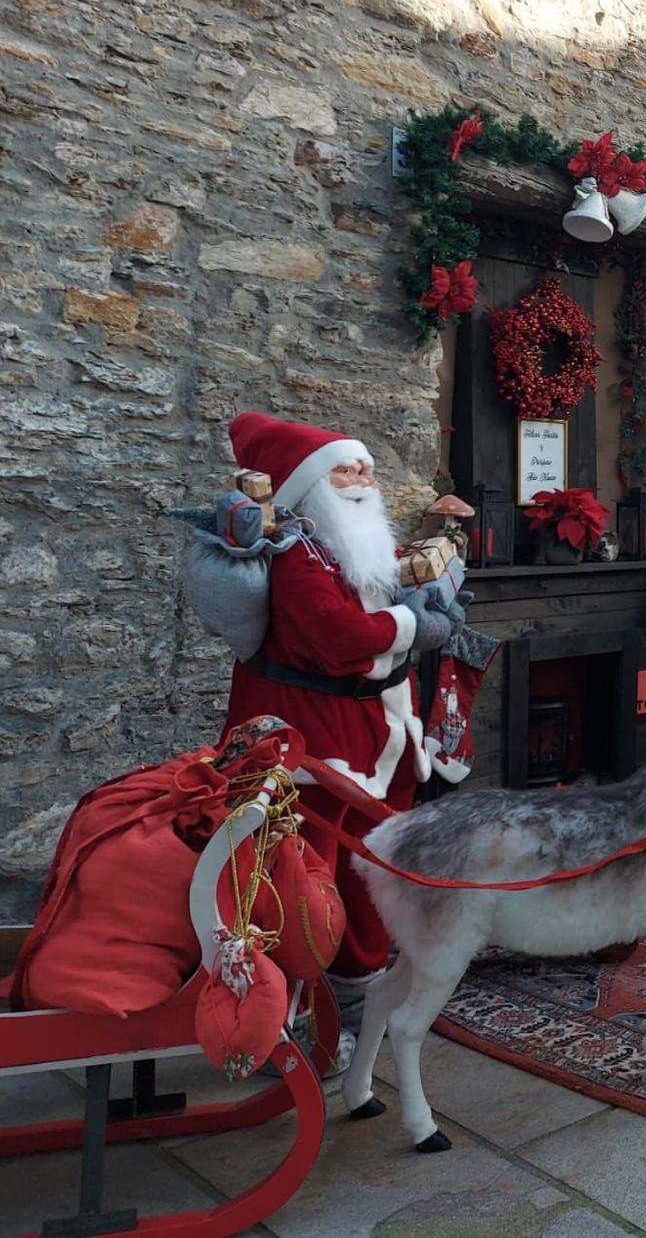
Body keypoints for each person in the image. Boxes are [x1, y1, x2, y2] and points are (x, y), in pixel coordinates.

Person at [221, 412, 464, 1021]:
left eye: (364, 468)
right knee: (304, 876)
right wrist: (413, 626)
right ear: (308, 486)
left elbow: (376, 600)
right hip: (312, 745)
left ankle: (359, 987)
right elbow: (338, 635)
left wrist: (428, 593)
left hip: (373, 735)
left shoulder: (349, 544)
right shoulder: (298, 556)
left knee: (366, 865)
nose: (359, 478)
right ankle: (297, 1007)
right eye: (343, 470)